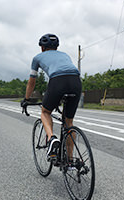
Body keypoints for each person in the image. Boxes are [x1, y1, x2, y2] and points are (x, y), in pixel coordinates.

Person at [21, 33, 82, 161]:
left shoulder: (37, 58)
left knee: (45, 112)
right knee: (69, 123)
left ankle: (51, 138)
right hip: (76, 81)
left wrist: (26, 99)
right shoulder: (65, 55)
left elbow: (32, 81)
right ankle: (70, 160)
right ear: (56, 47)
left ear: (42, 48)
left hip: (57, 80)